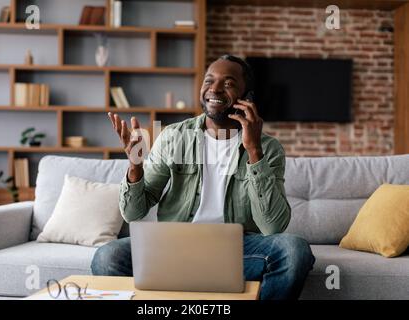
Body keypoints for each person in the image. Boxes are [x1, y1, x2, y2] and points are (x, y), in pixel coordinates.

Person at [91, 54, 315, 300]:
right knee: (108, 256)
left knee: (294, 251)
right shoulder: (174, 137)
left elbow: (272, 226)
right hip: (174, 245)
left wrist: (253, 151)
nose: (215, 89)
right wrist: (135, 166)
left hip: (238, 250)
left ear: (247, 97)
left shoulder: (268, 148)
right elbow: (133, 212)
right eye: (209, 81)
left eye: (228, 83)